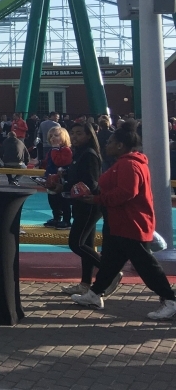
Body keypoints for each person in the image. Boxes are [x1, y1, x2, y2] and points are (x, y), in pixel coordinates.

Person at [71, 121, 176, 319]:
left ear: (120, 145)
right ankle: (95, 293)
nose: (106, 144)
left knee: (146, 264)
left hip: (130, 223)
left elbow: (126, 193)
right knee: (110, 261)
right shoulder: (126, 163)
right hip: (119, 223)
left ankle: (170, 299)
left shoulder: (129, 165)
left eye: (110, 142)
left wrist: (97, 199)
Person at [56, 122, 122, 297]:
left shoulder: (89, 155)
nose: (75, 137)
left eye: (79, 133)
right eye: (73, 133)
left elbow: (90, 183)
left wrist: (64, 186)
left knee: (76, 243)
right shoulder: (80, 154)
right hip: (82, 204)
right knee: (87, 245)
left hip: (89, 204)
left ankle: (110, 272)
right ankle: (86, 283)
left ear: (88, 135)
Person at [43, 126, 74, 229]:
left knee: (63, 201)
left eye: (56, 135)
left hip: (61, 180)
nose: (53, 138)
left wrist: (55, 149)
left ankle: (66, 220)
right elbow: (48, 162)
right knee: (52, 200)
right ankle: (56, 217)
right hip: (52, 179)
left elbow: (59, 162)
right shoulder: (52, 150)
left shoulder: (66, 150)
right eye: (51, 136)